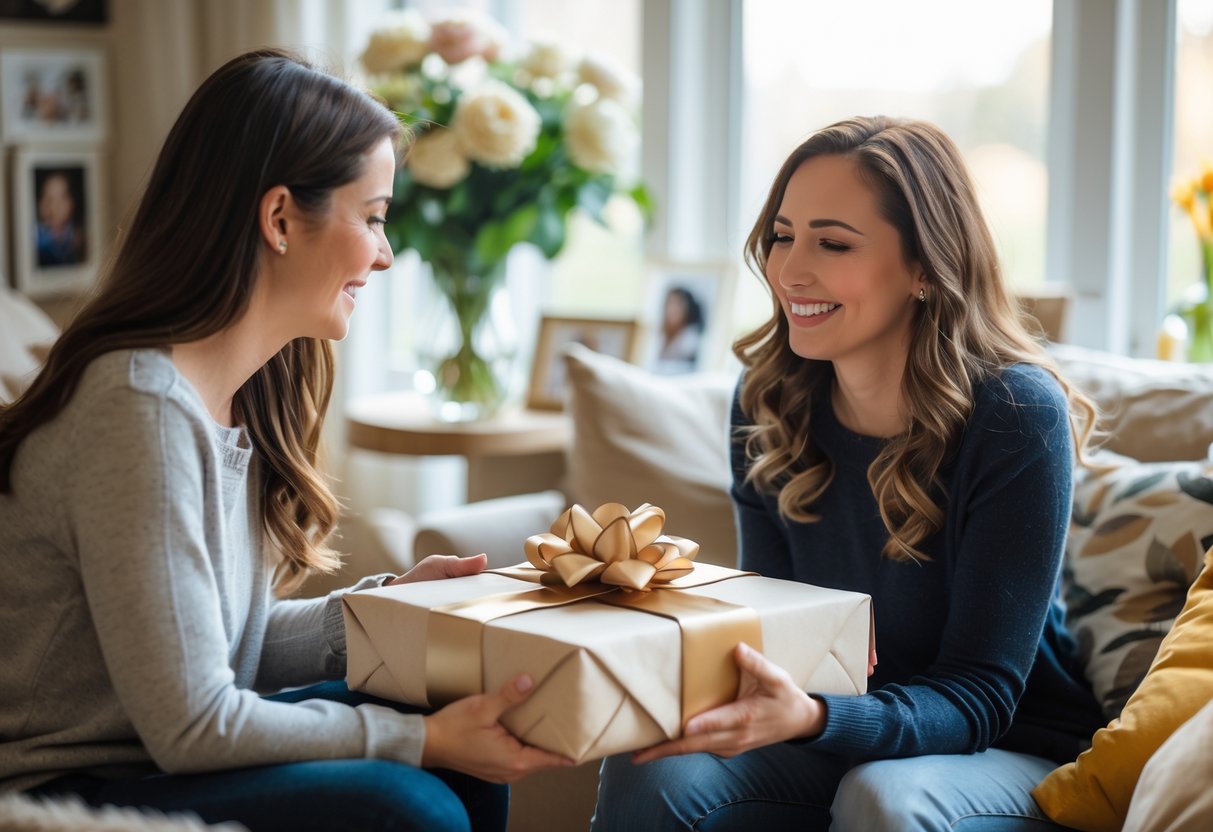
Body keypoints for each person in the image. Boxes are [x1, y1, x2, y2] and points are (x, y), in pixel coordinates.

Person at [0, 49, 569, 832]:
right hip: (74, 782)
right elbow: (194, 721)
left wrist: (384, 613)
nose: (386, 251)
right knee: (411, 804)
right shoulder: (138, 408)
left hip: (153, 754)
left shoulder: (231, 395)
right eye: (371, 217)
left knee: (454, 748)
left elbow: (232, 645)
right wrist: (420, 740)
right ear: (278, 220)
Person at [592, 115, 1106, 830]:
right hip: (832, 725)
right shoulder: (769, 397)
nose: (790, 270)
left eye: (831, 243)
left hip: (1008, 746)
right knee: (656, 760)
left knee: (884, 798)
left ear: (924, 266)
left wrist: (812, 717)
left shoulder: (1015, 412)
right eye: (781, 235)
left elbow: (980, 695)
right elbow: (778, 635)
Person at [34, 169, 85, 267]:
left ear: (72, 203)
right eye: (47, 198)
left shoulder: (80, 236)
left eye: (61, 198)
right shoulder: (36, 238)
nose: (53, 207)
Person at [654, 286, 704, 373]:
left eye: (677, 304)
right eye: (669, 303)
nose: (671, 309)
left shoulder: (690, 340)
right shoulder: (660, 333)